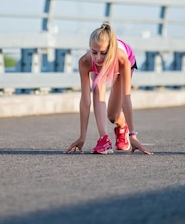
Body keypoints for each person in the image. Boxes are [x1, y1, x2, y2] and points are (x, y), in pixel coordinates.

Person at [65, 23, 152, 155]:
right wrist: (82, 136)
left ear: (110, 50)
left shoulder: (122, 59)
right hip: (102, 70)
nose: (98, 57)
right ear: (90, 48)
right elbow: (85, 101)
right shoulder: (85, 61)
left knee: (112, 115)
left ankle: (122, 127)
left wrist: (133, 136)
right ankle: (104, 139)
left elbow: (126, 98)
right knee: (97, 87)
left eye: (103, 53)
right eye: (94, 52)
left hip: (118, 66)